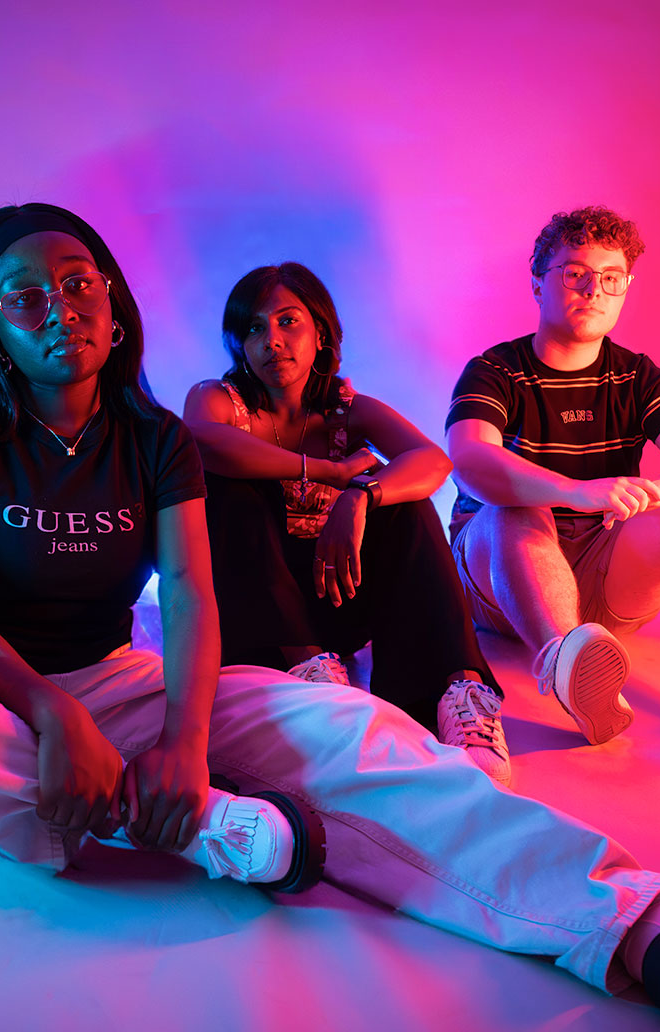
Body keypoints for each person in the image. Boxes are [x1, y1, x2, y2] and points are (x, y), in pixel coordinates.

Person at [0, 203, 660, 1032]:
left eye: (78, 283)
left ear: (111, 298)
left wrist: (185, 741)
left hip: (124, 685)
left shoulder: (153, 438)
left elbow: (188, 598)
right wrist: (53, 719)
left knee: (354, 731)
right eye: (25, 298)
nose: (60, 308)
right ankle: (177, 826)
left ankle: (634, 914)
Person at [445, 206, 660, 747]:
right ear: (539, 284)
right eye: (575, 274)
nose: (593, 290)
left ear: (625, 289)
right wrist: (577, 492)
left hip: (602, 576)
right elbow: (471, 462)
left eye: (610, 279)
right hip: (502, 580)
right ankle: (567, 663)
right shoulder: (494, 370)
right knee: (514, 503)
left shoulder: (636, 375)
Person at [183, 263, 509, 783]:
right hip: (255, 615)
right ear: (238, 344)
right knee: (231, 485)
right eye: (253, 328)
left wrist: (358, 495)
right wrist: (329, 471)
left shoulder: (346, 409)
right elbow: (202, 440)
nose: (272, 341)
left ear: (321, 333)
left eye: (288, 322)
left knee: (404, 499)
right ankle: (312, 681)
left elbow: (433, 462)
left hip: (335, 596)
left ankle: (457, 692)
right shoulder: (219, 400)